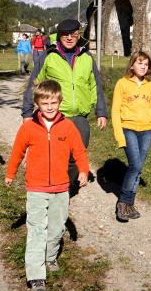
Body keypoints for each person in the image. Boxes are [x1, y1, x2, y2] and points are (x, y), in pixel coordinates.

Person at [5, 80, 90, 291]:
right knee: (36, 230)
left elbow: (79, 151)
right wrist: (10, 173)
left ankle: (50, 257)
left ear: (60, 102)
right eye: (45, 103)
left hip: (61, 188)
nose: (50, 107)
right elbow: (17, 152)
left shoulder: (68, 126)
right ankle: (36, 277)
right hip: (36, 187)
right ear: (37, 104)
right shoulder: (29, 127)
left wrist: (83, 170)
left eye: (53, 102)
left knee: (56, 227)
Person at [21, 18, 107, 195]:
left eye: (73, 34)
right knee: (52, 155)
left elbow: (95, 85)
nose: (69, 38)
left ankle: (64, 189)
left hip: (80, 117)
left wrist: (101, 111)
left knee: (77, 155)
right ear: (59, 36)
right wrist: (27, 111)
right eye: (65, 34)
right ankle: (49, 188)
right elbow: (34, 83)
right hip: (55, 116)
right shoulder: (48, 55)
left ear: (78, 35)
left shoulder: (86, 57)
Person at [111, 51, 151, 222]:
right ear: (132, 65)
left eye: (146, 64)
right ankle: (123, 203)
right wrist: (120, 136)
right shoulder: (122, 84)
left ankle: (130, 204)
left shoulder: (150, 86)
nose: (143, 66)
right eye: (140, 63)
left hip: (147, 131)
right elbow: (115, 111)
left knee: (139, 168)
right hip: (129, 129)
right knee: (134, 165)